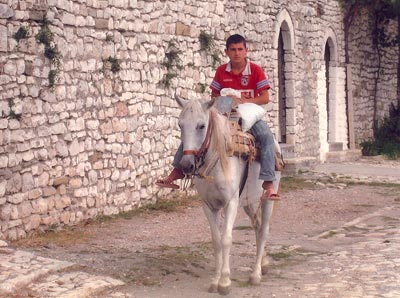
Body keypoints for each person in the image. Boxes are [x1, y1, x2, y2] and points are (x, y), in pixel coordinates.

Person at [156, 34, 279, 201]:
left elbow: (265, 97)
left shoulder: (255, 70)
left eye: (240, 49)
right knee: (194, 131)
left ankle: (268, 183)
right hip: (225, 113)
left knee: (265, 136)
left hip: (250, 113)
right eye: (233, 50)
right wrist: (225, 101)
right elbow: (214, 95)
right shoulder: (221, 71)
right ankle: (177, 171)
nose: (237, 53)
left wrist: (244, 101)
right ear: (226, 52)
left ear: (246, 51)